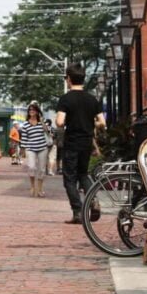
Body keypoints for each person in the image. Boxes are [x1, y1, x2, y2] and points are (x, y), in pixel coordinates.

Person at [56, 62, 106, 224]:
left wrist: (68, 120)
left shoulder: (66, 99)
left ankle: (77, 212)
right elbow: (102, 123)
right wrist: (90, 122)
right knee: (83, 174)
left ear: (68, 79)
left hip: (72, 142)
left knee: (69, 178)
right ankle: (94, 200)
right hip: (86, 142)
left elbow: (59, 122)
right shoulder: (92, 99)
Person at [19, 102, 49, 198]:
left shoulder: (41, 121)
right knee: (31, 167)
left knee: (41, 169)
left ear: (37, 111)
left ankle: (40, 189)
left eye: (33, 110)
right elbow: (24, 138)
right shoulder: (26, 124)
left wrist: (42, 121)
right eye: (30, 110)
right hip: (30, 148)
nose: (32, 111)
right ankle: (32, 186)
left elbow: (47, 131)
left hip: (42, 148)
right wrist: (22, 150)